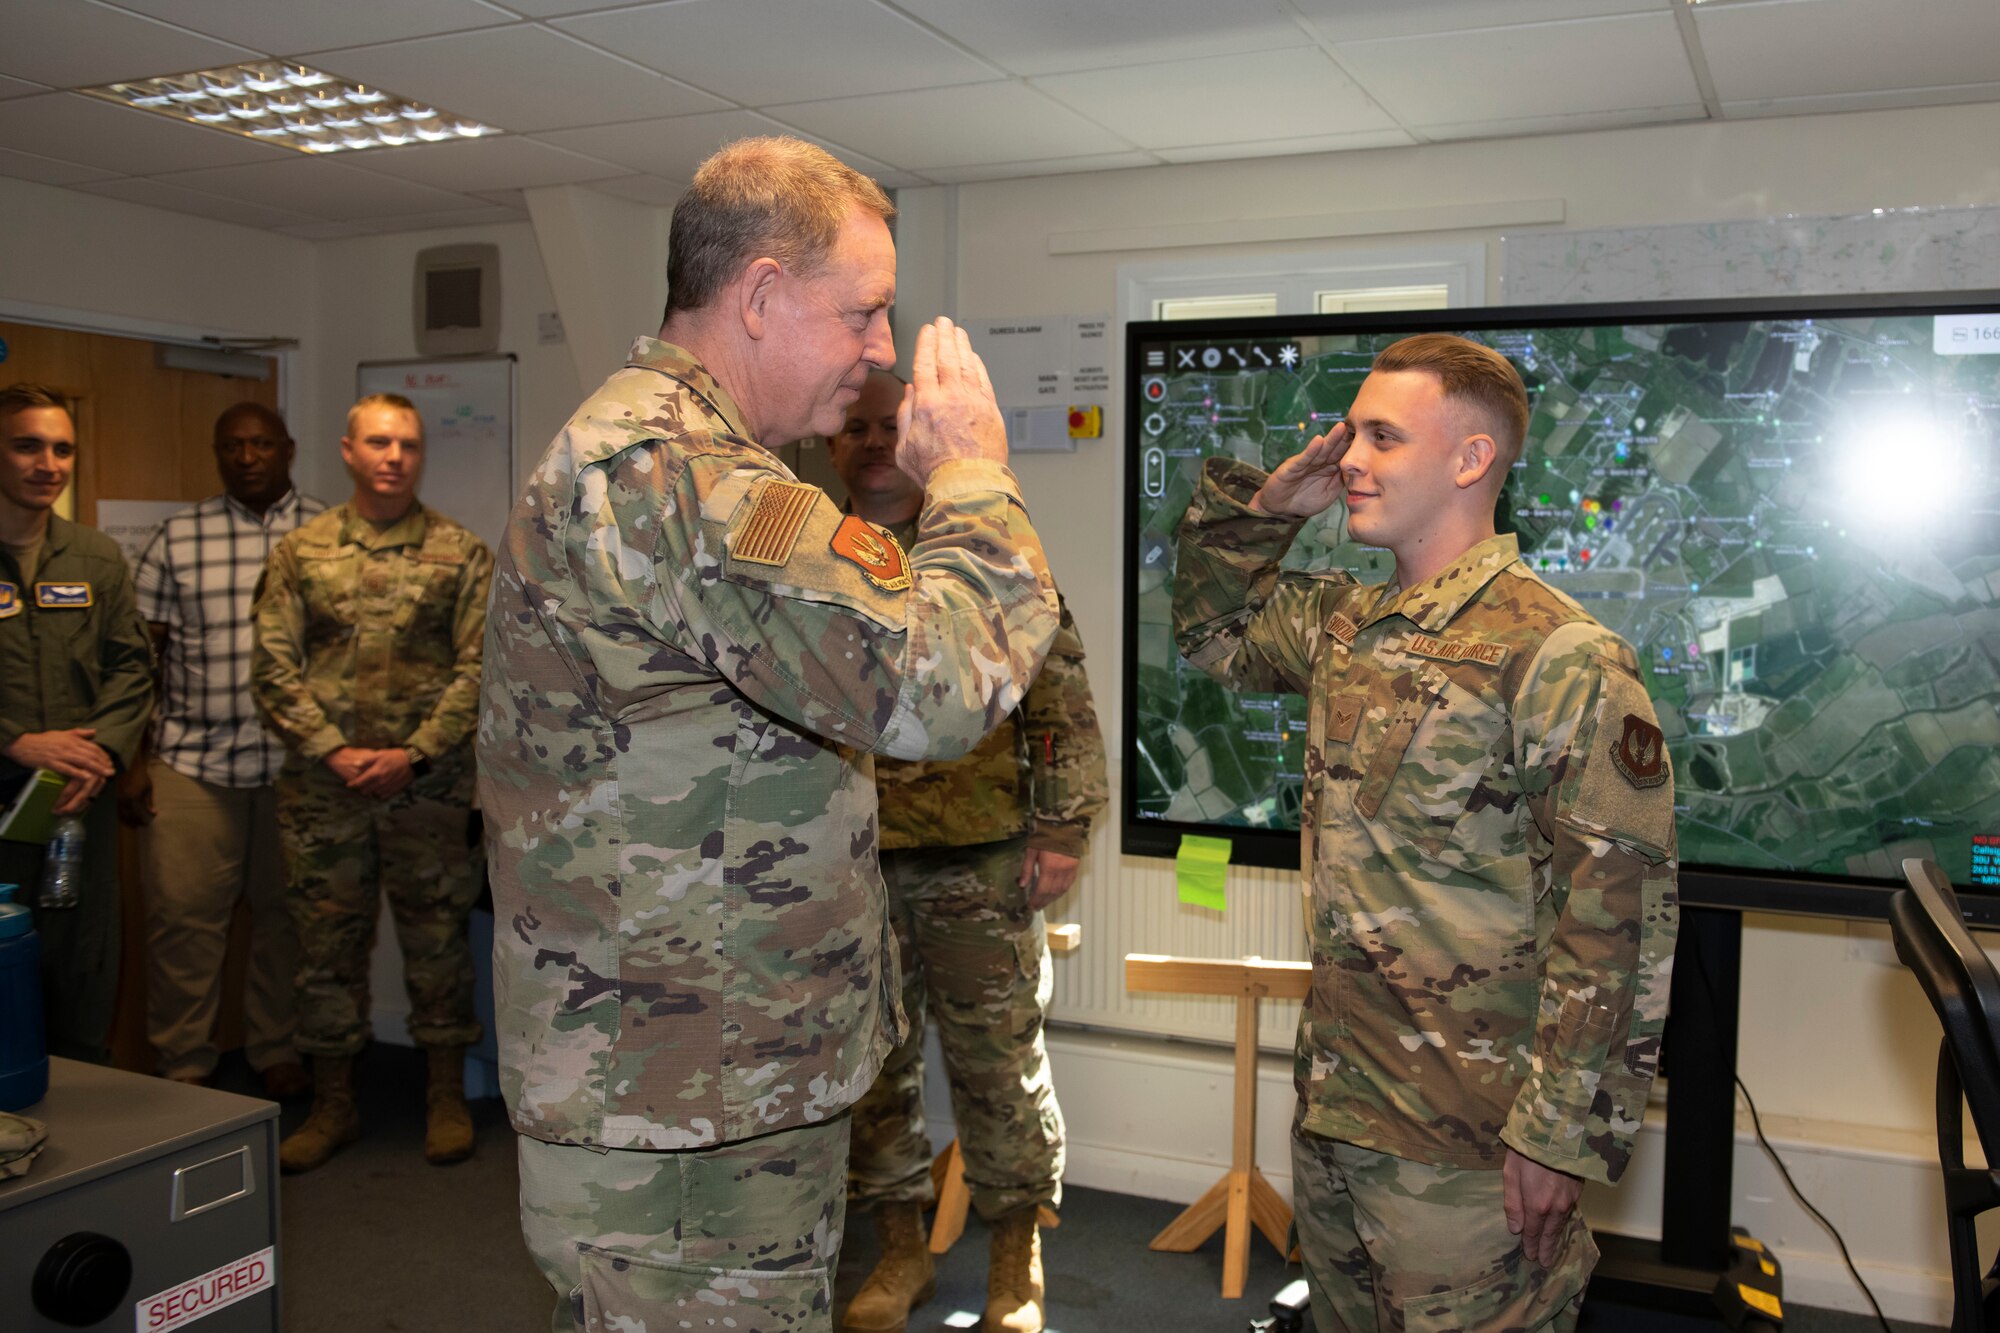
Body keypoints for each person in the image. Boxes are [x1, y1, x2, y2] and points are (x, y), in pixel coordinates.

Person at [478, 136, 1061, 1333]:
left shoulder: (692, 461)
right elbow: (943, 684)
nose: (881, 349)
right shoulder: (680, 477)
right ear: (757, 295)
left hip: (705, 1075)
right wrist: (973, 479)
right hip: (682, 1107)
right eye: (863, 311)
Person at [1172, 334, 1679, 1333]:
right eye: (1349, 431)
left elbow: (1613, 922)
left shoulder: (1560, 654)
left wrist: (1555, 1136)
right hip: (1337, 1108)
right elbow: (1210, 631)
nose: (1346, 456)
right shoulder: (1347, 625)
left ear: (1469, 460)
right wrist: (1263, 511)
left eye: (1381, 437)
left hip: (1468, 1146)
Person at [829, 370, 1106, 1333]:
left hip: (979, 855)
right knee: (874, 1070)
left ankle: (1014, 1261)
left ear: (922, 439)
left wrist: (1064, 826)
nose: (871, 442)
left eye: (890, 426)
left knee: (999, 1066)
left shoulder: (984, 555)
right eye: (854, 427)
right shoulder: (812, 561)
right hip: (852, 863)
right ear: (831, 445)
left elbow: (1059, 696)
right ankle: (898, 1249)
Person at [252, 392, 492, 1173]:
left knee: (438, 945)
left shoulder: (461, 553)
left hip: (425, 790)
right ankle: (334, 1104)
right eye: (380, 443)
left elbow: (478, 670)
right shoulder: (302, 553)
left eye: (409, 445)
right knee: (326, 952)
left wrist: (412, 755)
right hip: (326, 792)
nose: (395, 457)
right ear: (349, 450)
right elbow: (273, 668)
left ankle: (445, 1095)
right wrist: (333, 750)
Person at [123, 403, 324, 1097]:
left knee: (287, 920)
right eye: (232, 445)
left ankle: (276, 1048)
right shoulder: (176, 538)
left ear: (287, 449)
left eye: (261, 443)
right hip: (191, 764)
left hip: (296, 771)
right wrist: (133, 757)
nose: (247, 456)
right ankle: (182, 1061)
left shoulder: (327, 533)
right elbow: (140, 656)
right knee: (182, 922)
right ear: (217, 453)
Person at [0, 383, 153, 1065]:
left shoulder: (96, 557)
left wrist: (102, 755)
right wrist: (14, 740)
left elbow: (132, 668)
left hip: (73, 806)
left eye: (62, 448)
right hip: (3, 800)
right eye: (27, 444)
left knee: (82, 974)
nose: (48, 463)